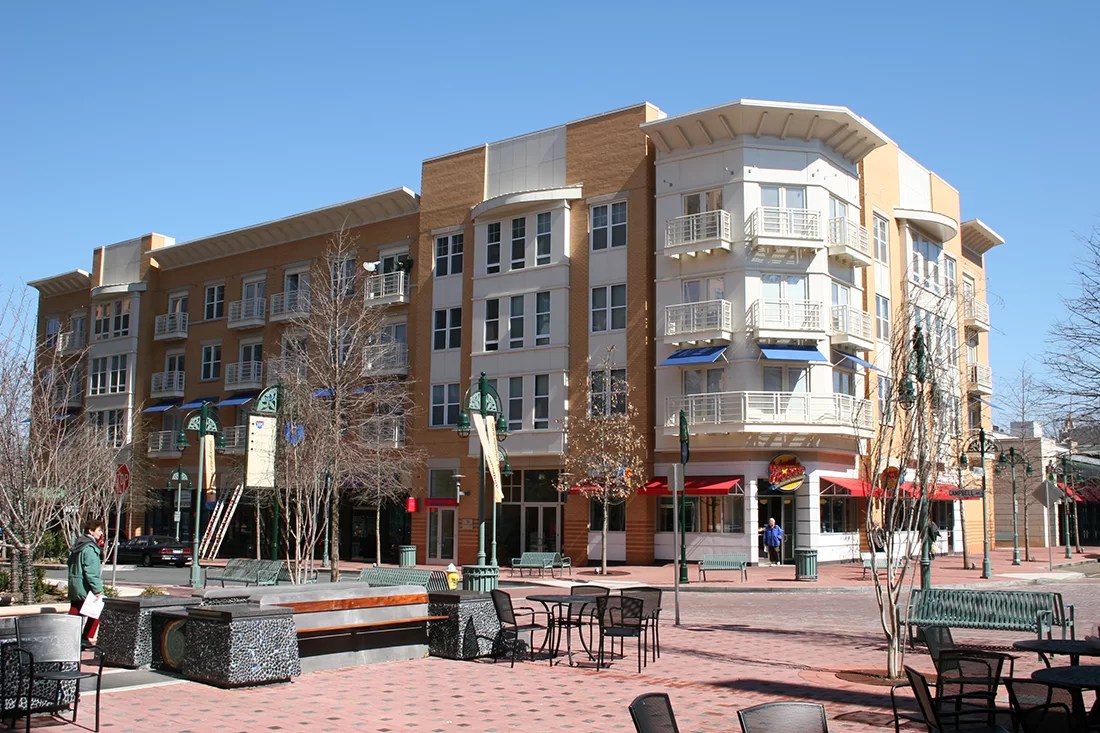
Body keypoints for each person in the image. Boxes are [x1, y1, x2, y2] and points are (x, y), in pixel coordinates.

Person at [67, 517, 105, 644]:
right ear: (91, 531)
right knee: (96, 612)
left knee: (75, 612)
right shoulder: (89, 548)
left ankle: (69, 637)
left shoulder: (78, 545)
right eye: (99, 530)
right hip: (85, 587)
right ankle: (85, 638)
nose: (101, 533)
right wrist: (98, 590)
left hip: (75, 585)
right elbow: (91, 572)